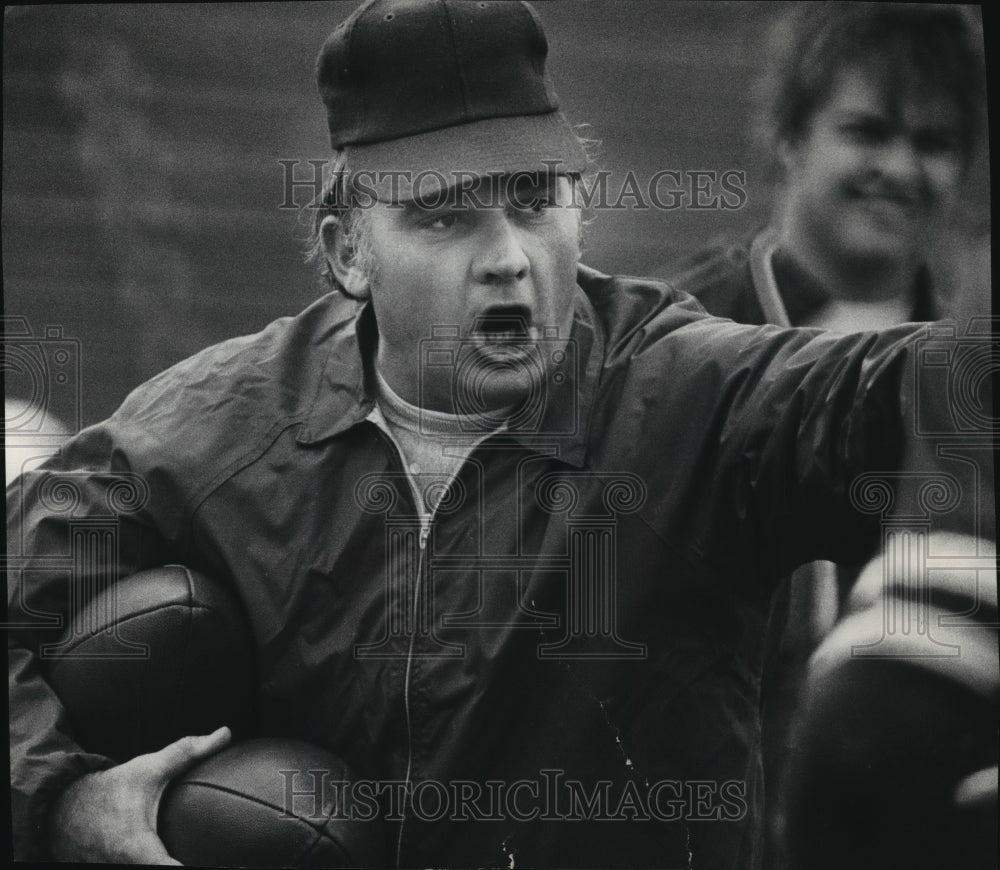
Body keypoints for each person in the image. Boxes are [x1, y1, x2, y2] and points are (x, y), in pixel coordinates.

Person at [6, 1, 992, 867]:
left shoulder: (694, 395)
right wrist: (57, 802)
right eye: (446, 217)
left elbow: (905, 388)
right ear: (349, 252)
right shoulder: (211, 429)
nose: (509, 259)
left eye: (533, 199)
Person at [660, 6, 987, 862]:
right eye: (868, 131)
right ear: (791, 137)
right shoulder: (679, 342)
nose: (900, 168)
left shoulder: (971, 383)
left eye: (935, 142)